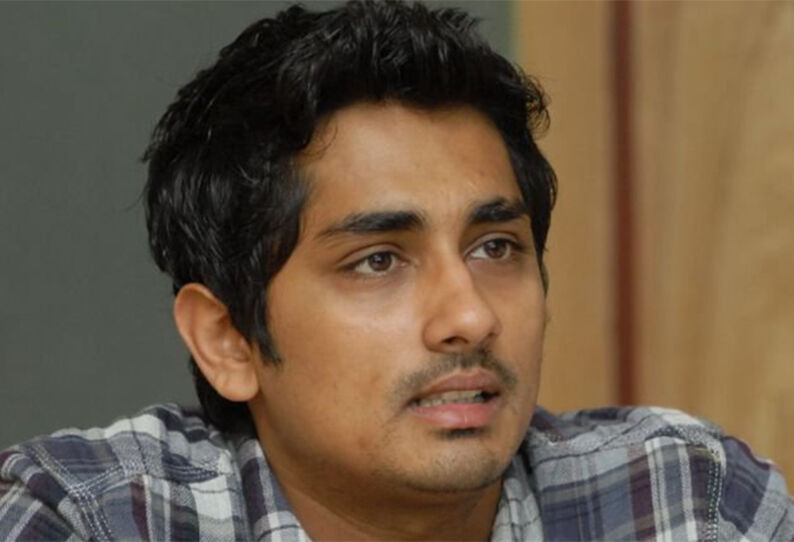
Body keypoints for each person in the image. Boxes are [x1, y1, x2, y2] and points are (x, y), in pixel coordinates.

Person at [1, 1, 791, 540]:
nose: (471, 316)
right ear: (228, 339)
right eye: (378, 260)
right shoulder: (90, 519)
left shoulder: (686, 503)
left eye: (495, 247)